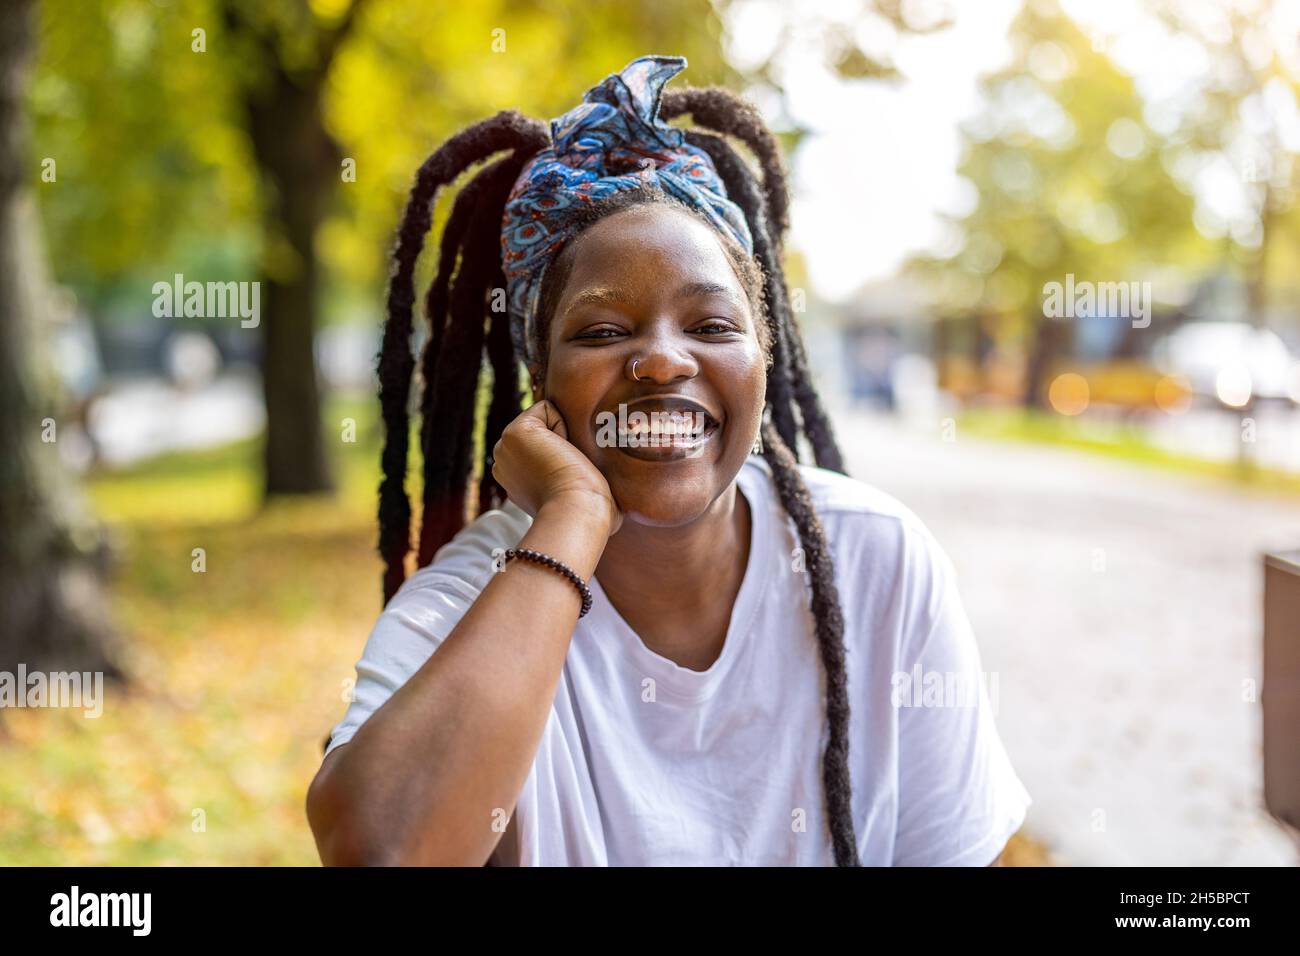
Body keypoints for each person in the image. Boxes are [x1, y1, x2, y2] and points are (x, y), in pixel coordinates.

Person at [305, 54, 1031, 866]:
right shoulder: (471, 600)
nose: (661, 361)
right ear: (540, 380)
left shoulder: (879, 560)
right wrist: (573, 521)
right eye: (603, 332)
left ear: (766, 359)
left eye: (712, 326)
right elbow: (382, 849)